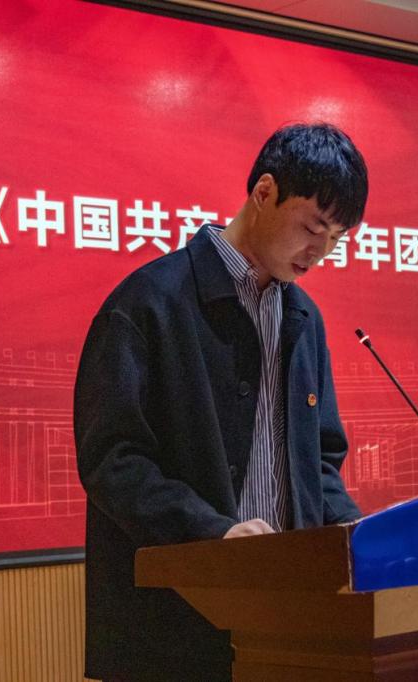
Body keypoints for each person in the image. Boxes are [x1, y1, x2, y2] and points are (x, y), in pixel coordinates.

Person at [74, 123, 369, 681]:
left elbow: (319, 462)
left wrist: (356, 533)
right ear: (264, 192)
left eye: (337, 239)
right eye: (313, 228)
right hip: (170, 627)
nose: (321, 252)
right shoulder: (148, 302)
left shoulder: (304, 318)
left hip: (287, 623)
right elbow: (113, 461)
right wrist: (214, 532)